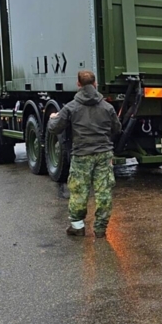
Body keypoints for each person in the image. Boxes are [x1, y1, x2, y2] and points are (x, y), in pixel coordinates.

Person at [47, 70, 122, 238]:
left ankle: (77, 226)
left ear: (78, 85)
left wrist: (53, 117)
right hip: (103, 154)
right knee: (104, 191)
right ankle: (101, 229)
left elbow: (54, 128)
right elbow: (117, 128)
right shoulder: (107, 107)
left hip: (81, 155)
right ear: (95, 84)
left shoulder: (71, 107)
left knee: (79, 190)